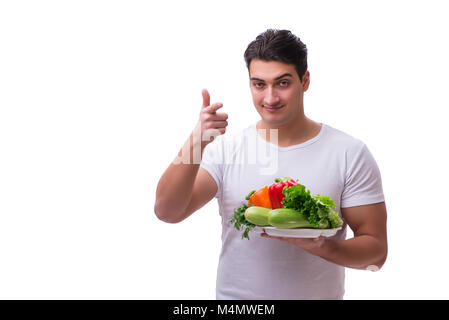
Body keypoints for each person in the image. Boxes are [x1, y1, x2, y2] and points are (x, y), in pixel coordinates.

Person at [154, 29, 388, 300]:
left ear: (305, 80)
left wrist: (324, 247)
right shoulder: (228, 150)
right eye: (259, 84)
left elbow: (376, 253)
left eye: (283, 83)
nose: (270, 98)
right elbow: (167, 211)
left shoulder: (349, 153)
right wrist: (197, 140)